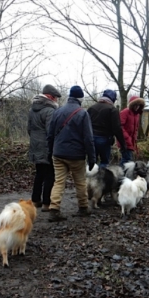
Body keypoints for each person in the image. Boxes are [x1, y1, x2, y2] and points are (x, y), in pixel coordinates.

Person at [46, 85, 96, 222]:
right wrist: (92, 158)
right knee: (80, 182)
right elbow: (88, 138)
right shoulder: (82, 113)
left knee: (59, 182)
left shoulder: (57, 111)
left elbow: (50, 135)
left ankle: (54, 210)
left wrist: (51, 151)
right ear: (80, 98)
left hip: (58, 153)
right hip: (76, 155)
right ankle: (83, 208)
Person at [27, 84, 61, 212]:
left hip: (35, 146)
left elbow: (29, 129)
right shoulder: (50, 111)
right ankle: (47, 203)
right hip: (47, 147)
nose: (56, 100)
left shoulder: (32, 109)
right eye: (55, 98)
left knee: (39, 174)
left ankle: (35, 200)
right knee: (50, 175)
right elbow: (50, 131)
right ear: (50, 97)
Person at [87, 89, 126, 168]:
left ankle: (89, 179)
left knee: (91, 162)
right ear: (113, 99)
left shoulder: (91, 108)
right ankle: (101, 179)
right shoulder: (112, 110)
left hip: (91, 139)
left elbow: (85, 125)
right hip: (104, 139)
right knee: (104, 162)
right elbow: (117, 128)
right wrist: (123, 144)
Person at [117, 96, 145, 166]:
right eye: (135, 105)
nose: (137, 107)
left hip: (131, 141)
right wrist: (127, 138)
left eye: (138, 105)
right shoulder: (125, 112)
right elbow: (120, 127)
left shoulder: (137, 115)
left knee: (128, 159)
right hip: (124, 141)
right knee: (127, 159)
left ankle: (124, 174)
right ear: (132, 105)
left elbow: (135, 128)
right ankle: (121, 174)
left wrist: (134, 139)